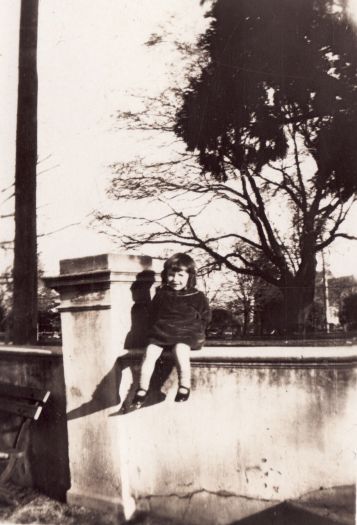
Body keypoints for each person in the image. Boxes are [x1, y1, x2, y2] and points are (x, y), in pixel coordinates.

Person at [132, 253, 211, 407]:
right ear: (165, 275)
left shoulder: (197, 296)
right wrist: (157, 330)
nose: (175, 279)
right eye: (171, 275)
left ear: (190, 276)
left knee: (180, 350)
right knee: (149, 353)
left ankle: (184, 386)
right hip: (163, 332)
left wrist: (195, 330)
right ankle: (142, 389)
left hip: (187, 333)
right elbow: (153, 314)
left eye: (180, 275)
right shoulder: (162, 294)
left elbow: (206, 317)